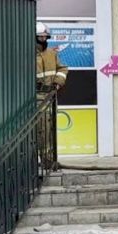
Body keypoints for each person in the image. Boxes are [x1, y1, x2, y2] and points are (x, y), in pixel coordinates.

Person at [36, 22, 68, 170]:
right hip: (34, 98)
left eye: (45, 37)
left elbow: (62, 68)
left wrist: (58, 82)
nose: (43, 39)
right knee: (37, 131)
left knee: (47, 130)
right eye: (40, 37)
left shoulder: (51, 53)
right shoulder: (26, 54)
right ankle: (35, 161)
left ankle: (48, 161)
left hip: (48, 97)